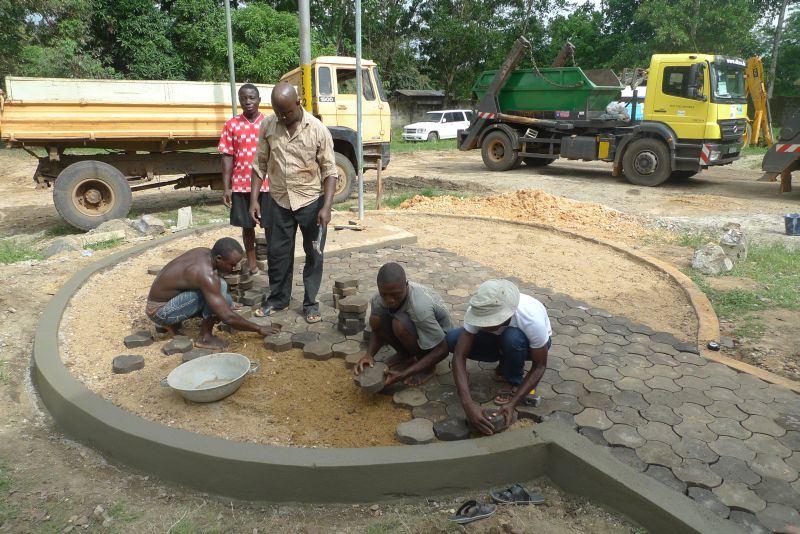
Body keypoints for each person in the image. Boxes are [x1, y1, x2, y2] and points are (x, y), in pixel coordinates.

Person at [249, 82, 337, 324]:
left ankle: (310, 303)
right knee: (278, 255)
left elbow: (330, 171)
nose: (282, 117)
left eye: (286, 112)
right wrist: (254, 200)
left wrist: (326, 207)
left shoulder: (318, 130)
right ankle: (278, 299)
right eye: (278, 112)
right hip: (278, 200)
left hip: (311, 202)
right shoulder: (268, 125)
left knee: (314, 254)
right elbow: (260, 165)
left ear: (298, 104)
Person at [447, 280, 551, 435]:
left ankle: (514, 381)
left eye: (489, 321)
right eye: (482, 322)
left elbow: (540, 365)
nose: (483, 325)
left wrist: (513, 404)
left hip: (530, 346)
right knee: (453, 339)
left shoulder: (530, 317)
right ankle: (505, 362)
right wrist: (467, 404)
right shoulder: (480, 308)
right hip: (499, 340)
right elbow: (459, 355)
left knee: (512, 338)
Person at [145, 237, 278, 349]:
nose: (234, 269)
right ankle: (205, 337)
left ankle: (175, 323)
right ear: (219, 258)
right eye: (232, 264)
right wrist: (258, 328)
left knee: (221, 286)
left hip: (166, 302)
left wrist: (225, 302)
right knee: (216, 289)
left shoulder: (204, 253)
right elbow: (227, 317)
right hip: (160, 312)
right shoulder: (205, 274)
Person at [354, 263, 453, 386]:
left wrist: (405, 373)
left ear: (406, 285)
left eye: (395, 294)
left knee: (399, 325)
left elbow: (443, 349)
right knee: (375, 319)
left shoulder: (420, 307)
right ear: (379, 287)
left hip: (438, 338)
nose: (389, 299)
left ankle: (428, 367)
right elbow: (376, 328)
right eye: (384, 294)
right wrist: (369, 355)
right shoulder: (378, 299)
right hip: (416, 326)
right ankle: (405, 355)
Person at [218, 83, 269, 276]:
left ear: (259, 100)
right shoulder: (231, 125)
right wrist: (227, 187)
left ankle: (275, 264)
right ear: (239, 101)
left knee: (271, 227)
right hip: (241, 185)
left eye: (252, 98)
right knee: (247, 228)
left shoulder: (269, 122)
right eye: (243, 98)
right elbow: (227, 156)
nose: (248, 102)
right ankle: (252, 264)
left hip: (267, 185)